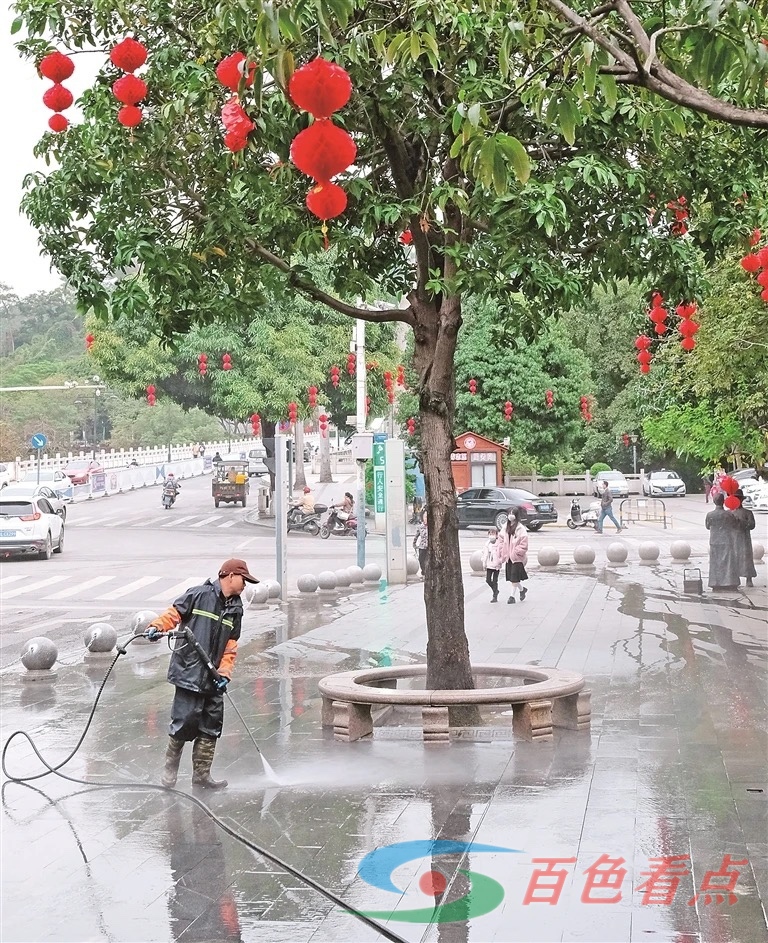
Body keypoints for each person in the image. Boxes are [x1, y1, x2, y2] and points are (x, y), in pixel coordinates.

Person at [146, 559, 259, 790]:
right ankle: (169, 775)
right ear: (229, 576)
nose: (245, 584)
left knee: (211, 725)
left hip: (214, 676)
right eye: (243, 579)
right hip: (189, 672)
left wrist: (225, 672)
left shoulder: (236, 608)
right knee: (184, 723)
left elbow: (231, 644)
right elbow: (174, 614)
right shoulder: (198, 595)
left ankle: (201, 777)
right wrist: (157, 627)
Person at [705, 492, 740, 590]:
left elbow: (708, 526)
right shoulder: (728, 514)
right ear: (723, 502)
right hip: (727, 540)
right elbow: (735, 525)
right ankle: (730, 582)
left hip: (715, 540)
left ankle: (715, 583)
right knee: (728, 562)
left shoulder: (710, 514)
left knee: (715, 562)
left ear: (714, 501)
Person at [500, 509, 529, 604]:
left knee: (514, 577)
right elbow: (500, 540)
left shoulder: (521, 528)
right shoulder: (505, 527)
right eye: (509, 513)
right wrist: (502, 551)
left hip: (516, 558)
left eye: (513, 514)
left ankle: (511, 597)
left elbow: (524, 544)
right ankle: (522, 590)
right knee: (513, 577)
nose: (511, 515)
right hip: (508, 557)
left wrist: (516, 552)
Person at [732, 489, 757, 588]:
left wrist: (741, 522)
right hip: (733, 538)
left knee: (746, 557)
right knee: (734, 557)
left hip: (744, 538)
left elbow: (752, 525)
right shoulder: (730, 513)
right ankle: (734, 578)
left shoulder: (748, 513)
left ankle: (749, 578)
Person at [482, 526, 503, 602]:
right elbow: (484, 554)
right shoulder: (487, 544)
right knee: (488, 580)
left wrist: (499, 561)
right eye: (490, 534)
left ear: (497, 535)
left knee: (495, 581)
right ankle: (495, 590)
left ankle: (495, 596)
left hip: (496, 565)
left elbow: (502, 554)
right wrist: (484, 563)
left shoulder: (499, 544)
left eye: (493, 534)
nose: (491, 535)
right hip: (489, 564)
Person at [413, 511, 428, 577]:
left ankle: (427, 573)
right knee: (421, 559)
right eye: (425, 517)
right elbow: (416, 536)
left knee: (428, 560)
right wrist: (414, 544)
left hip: (429, 547)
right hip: (422, 546)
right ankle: (424, 571)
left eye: (427, 517)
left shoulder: (432, 527)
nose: (426, 519)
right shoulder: (420, 527)